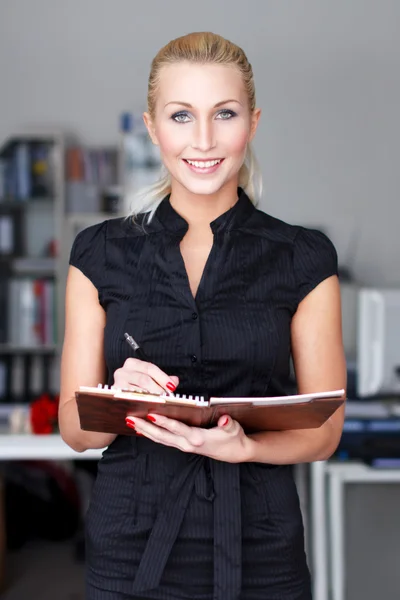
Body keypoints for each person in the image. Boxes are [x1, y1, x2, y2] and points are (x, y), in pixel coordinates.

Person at [59, 31, 346, 600]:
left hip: (260, 545)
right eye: (182, 116)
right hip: (131, 545)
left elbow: (325, 428)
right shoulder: (98, 253)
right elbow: (74, 430)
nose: (205, 139)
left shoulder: (304, 257)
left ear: (254, 122)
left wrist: (248, 448)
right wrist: (119, 399)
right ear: (152, 127)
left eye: (226, 113)